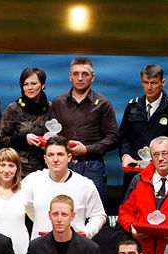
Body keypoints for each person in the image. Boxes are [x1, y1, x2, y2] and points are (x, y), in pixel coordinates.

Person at [50, 57, 119, 202]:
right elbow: (52, 135)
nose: (80, 78)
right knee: (62, 212)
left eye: (85, 74)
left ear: (92, 77)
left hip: (92, 167)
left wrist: (87, 149)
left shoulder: (103, 103)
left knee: (94, 214)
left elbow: (113, 138)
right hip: (63, 166)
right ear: (70, 77)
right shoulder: (58, 102)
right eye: (76, 74)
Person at [22, 136, 106, 239]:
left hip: (74, 248)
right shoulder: (31, 181)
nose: (55, 159)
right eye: (51, 155)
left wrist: (86, 233)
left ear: (69, 157)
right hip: (40, 249)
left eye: (60, 154)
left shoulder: (85, 184)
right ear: (45, 158)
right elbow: (19, 207)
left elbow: (99, 215)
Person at [119, 65, 168, 179]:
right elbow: (123, 137)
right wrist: (125, 155)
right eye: (145, 82)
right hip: (135, 172)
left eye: (153, 83)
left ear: (162, 82)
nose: (149, 87)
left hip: (164, 173)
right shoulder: (133, 106)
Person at [0, 67, 53, 176]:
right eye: (25, 84)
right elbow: (2, 139)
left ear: (42, 85)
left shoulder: (51, 108)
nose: (29, 88)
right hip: (20, 169)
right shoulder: (14, 109)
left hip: (46, 168)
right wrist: (24, 139)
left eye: (34, 84)